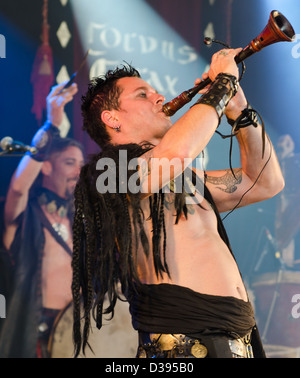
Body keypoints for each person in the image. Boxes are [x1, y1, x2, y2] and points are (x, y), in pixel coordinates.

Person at [72, 49, 284, 359]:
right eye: (143, 95)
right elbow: (176, 153)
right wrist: (223, 83)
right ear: (112, 118)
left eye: (156, 91)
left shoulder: (188, 180)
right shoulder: (109, 173)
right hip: (182, 347)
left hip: (238, 341)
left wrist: (240, 110)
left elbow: (264, 181)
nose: (160, 98)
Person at [0, 81, 84, 358]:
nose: (78, 171)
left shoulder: (82, 221)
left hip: (77, 335)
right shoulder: (26, 215)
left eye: (81, 164)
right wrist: (51, 125)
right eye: (70, 163)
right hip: (34, 334)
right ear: (46, 166)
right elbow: (18, 188)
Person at [275, 134, 300, 268]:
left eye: (285, 142)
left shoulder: (296, 160)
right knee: (281, 232)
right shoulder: (278, 160)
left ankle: (289, 264)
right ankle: (284, 265)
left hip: (294, 201)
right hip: (282, 200)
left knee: (289, 230)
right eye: (280, 141)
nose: (281, 145)